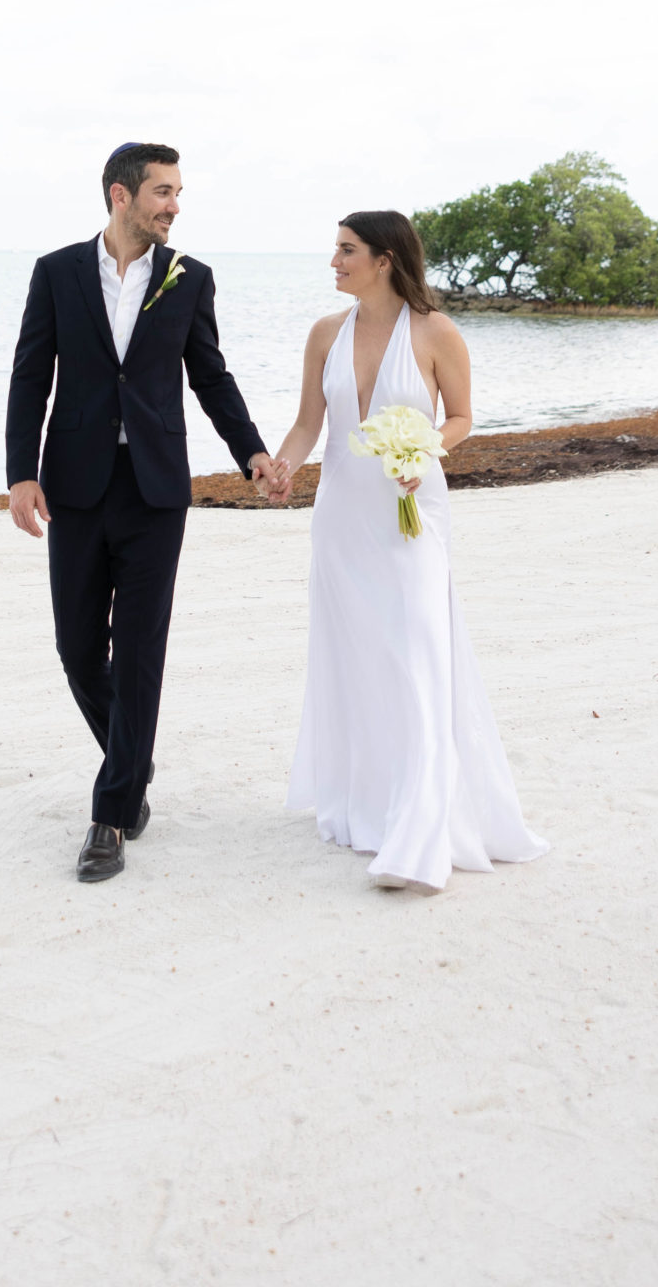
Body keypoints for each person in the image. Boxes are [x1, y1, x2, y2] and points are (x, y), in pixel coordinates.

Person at [6, 141, 288, 882]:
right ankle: (132, 755)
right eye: (162, 192)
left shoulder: (191, 279)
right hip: (74, 484)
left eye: (178, 193)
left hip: (157, 489)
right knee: (75, 648)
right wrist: (19, 476)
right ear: (119, 195)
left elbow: (211, 377)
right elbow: (30, 377)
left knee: (138, 650)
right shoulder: (57, 272)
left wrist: (252, 454)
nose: (174, 206)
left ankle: (112, 814)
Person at [272, 208, 548, 892]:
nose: (333, 262)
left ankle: (422, 828)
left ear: (385, 258)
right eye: (334, 249)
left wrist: (422, 449)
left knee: (418, 652)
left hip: (410, 515)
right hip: (340, 516)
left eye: (345, 251)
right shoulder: (323, 334)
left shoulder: (434, 331)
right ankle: (370, 803)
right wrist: (280, 466)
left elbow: (460, 416)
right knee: (356, 654)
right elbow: (310, 423)